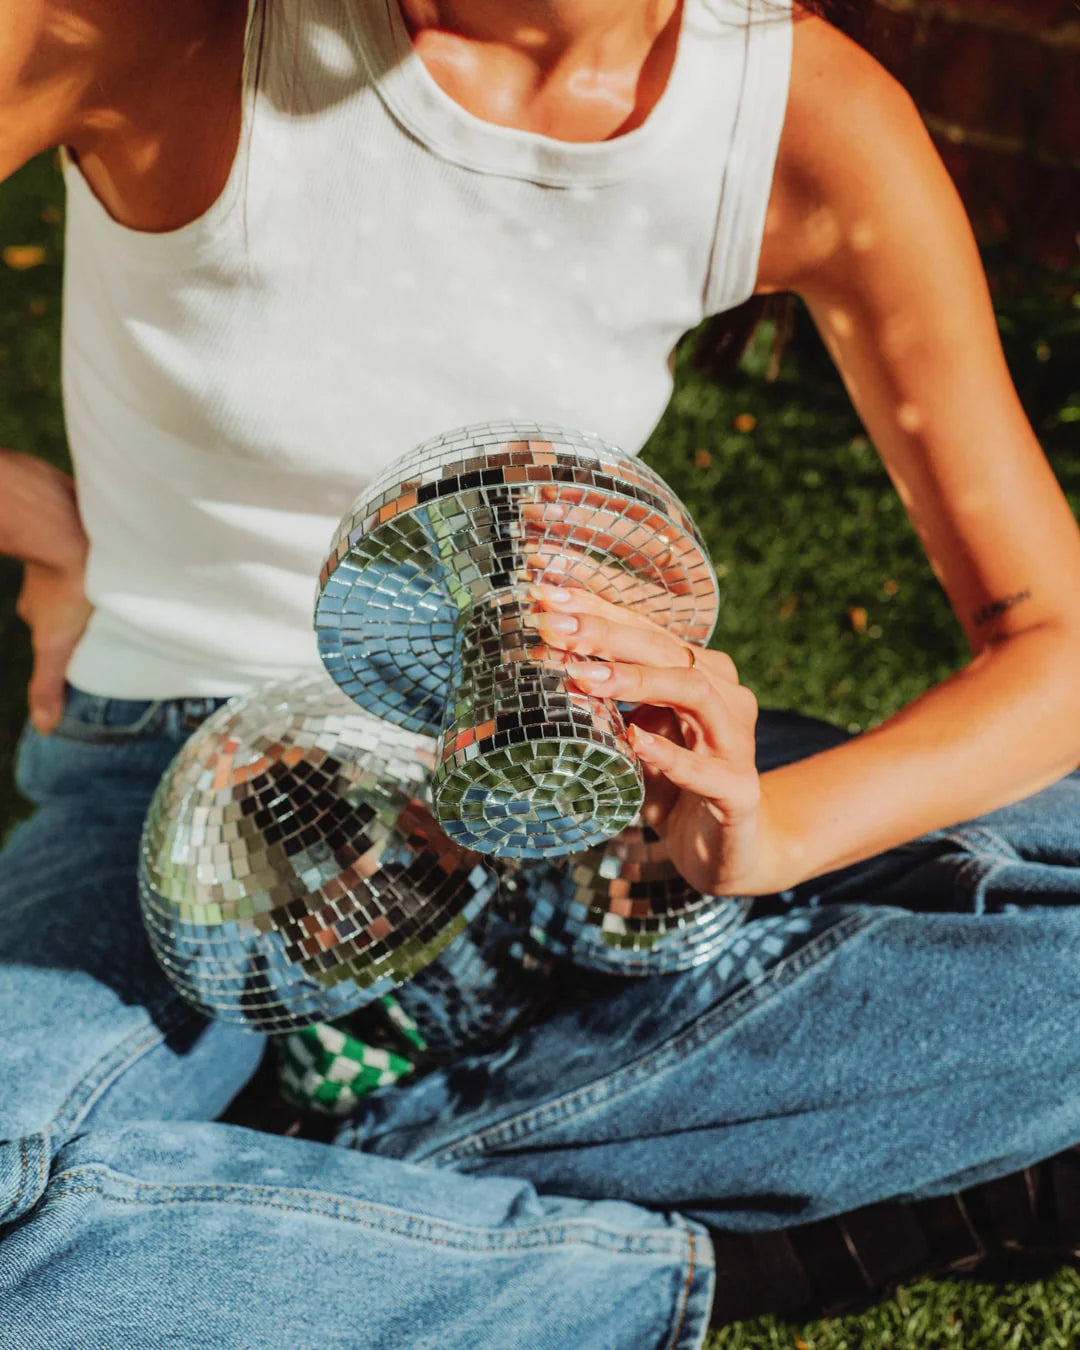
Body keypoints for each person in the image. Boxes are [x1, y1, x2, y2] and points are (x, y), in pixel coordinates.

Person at [1, 0, 1079, 1344]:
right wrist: (39, 517)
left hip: (556, 781)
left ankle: (267, 1186)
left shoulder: (796, 110)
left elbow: (1057, 647)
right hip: (186, 779)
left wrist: (772, 833)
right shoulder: (162, 27)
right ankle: (711, 1262)